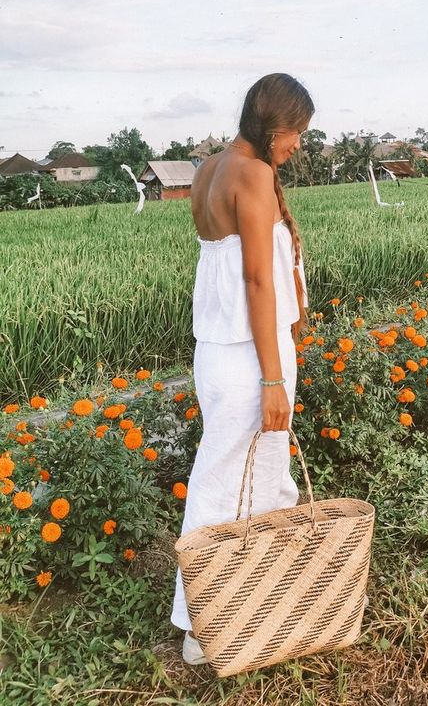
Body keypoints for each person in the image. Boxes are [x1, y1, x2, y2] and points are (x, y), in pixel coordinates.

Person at [170, 73, 314, 665]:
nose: (299, 145)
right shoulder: (252, 175)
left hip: (223, 350)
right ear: (274, 125)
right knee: (225, 480)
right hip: (248, 356)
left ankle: (256, 599)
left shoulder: (209, 168)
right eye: (298, 132)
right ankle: (201, 624)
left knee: (254, 474)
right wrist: (274, 378)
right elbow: (256, 280)